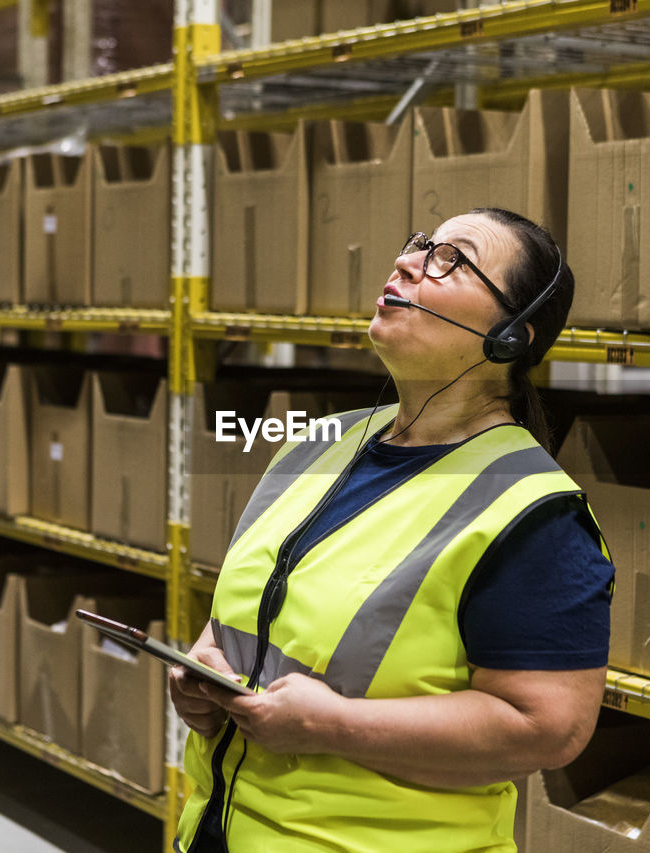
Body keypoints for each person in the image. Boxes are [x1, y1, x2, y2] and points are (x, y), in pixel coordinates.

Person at [169, 208, 615, 852]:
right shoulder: (315, 444)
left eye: (452, 259)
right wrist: (204, 664)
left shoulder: (532, 511)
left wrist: (334, 726)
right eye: (419, 244)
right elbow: (252, 605)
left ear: (511, 336)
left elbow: (547, 728)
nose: (408, 262)